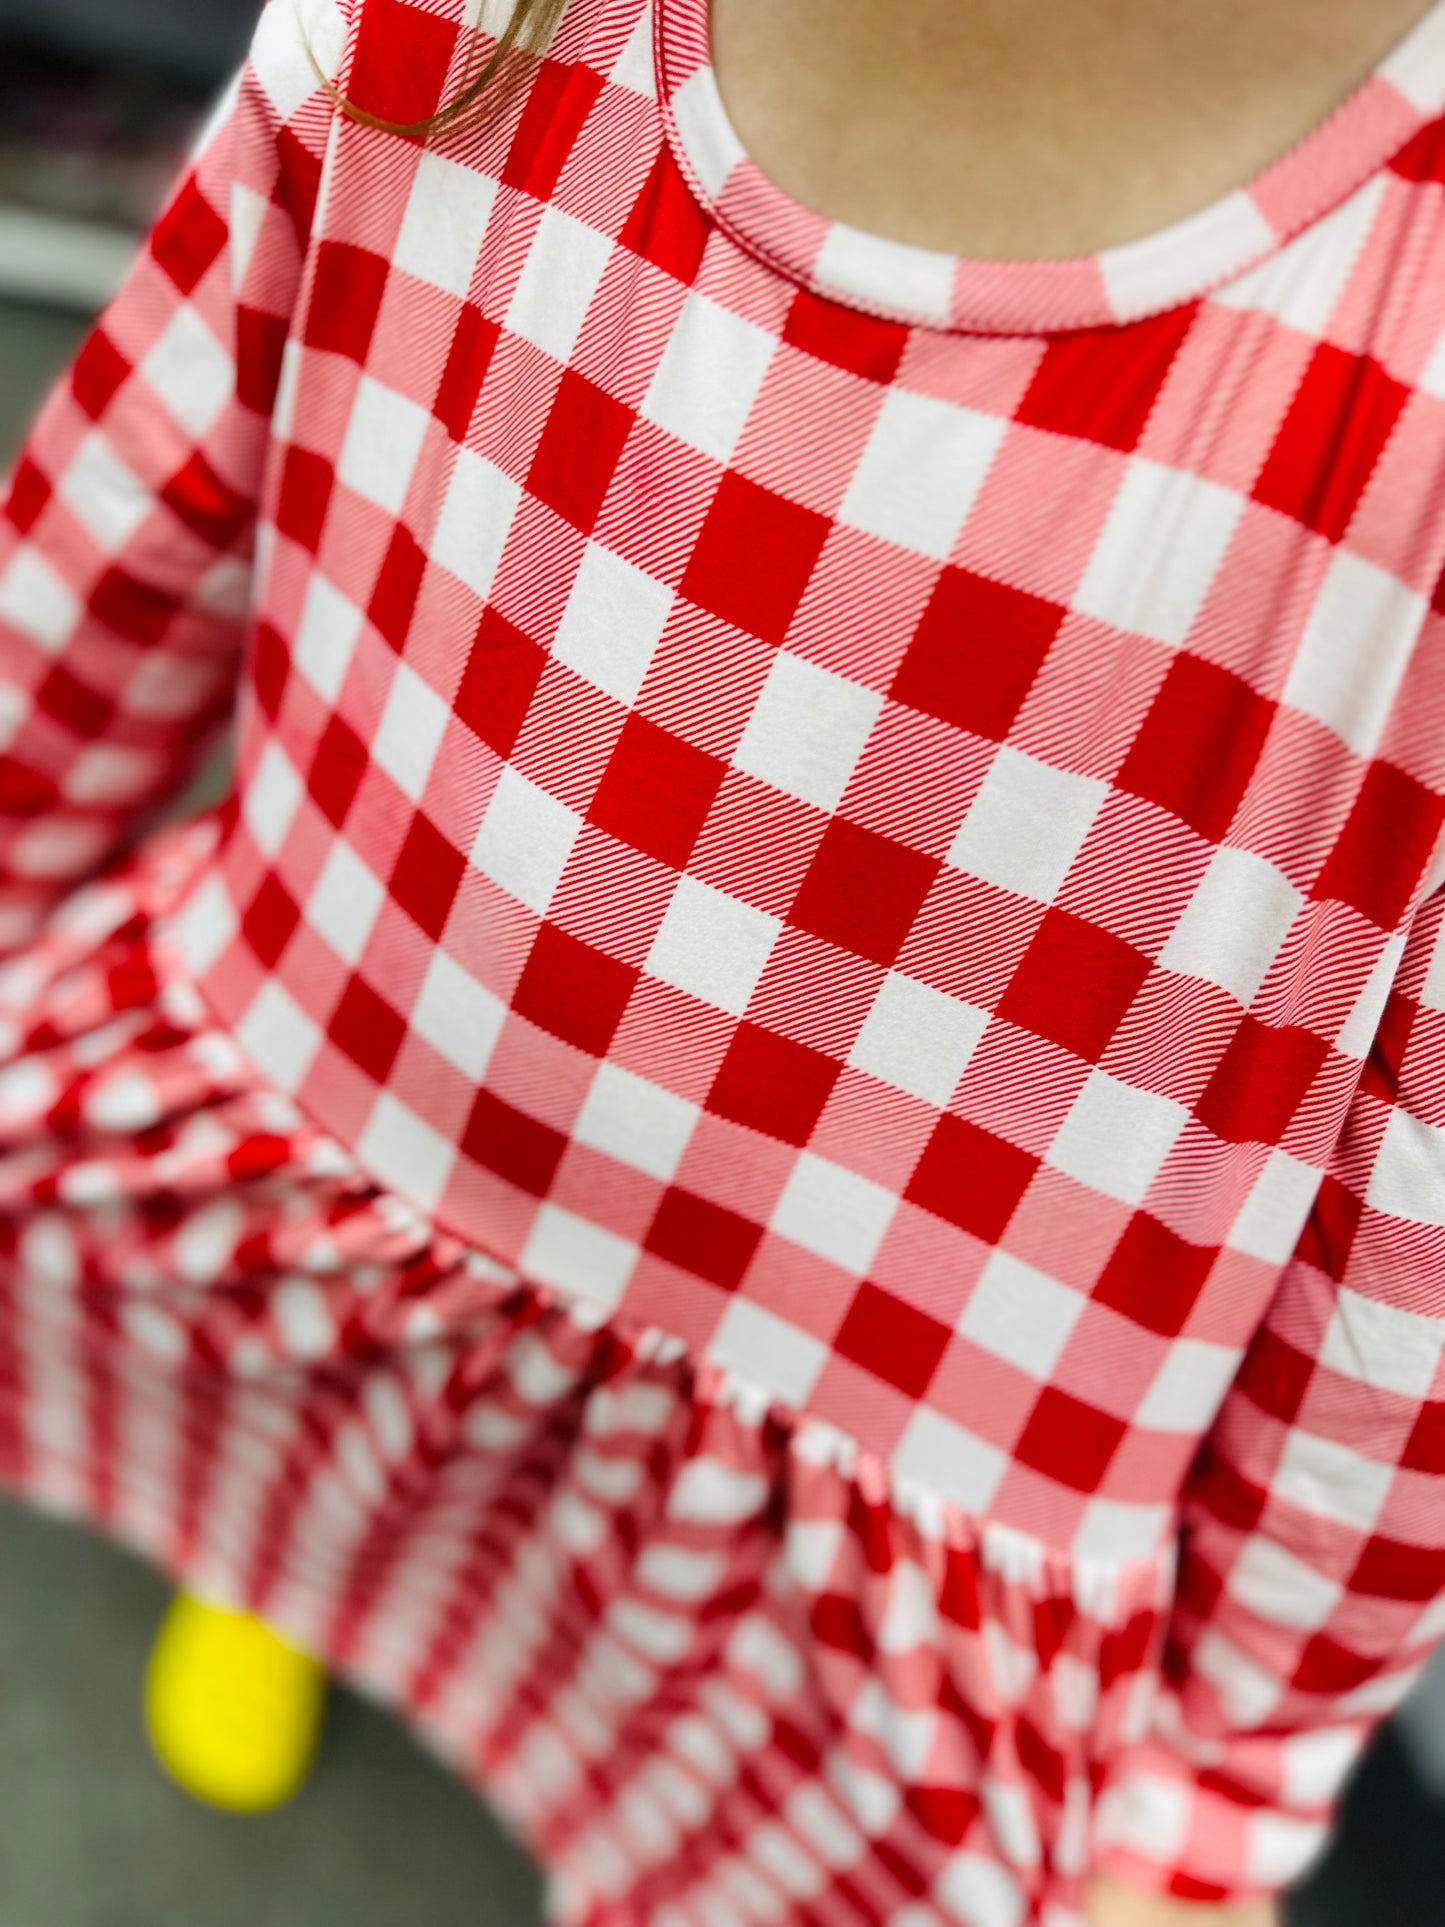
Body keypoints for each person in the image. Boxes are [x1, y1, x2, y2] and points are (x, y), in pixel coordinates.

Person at [1, 0, 1443, 1919]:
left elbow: (1408, 1273)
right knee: (297, 1448)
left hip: (868, 1447)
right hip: (344, 1139)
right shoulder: (438, 23)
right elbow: (120, 519)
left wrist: (1215, 1797)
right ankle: (282, 1574)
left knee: (719, 1811)